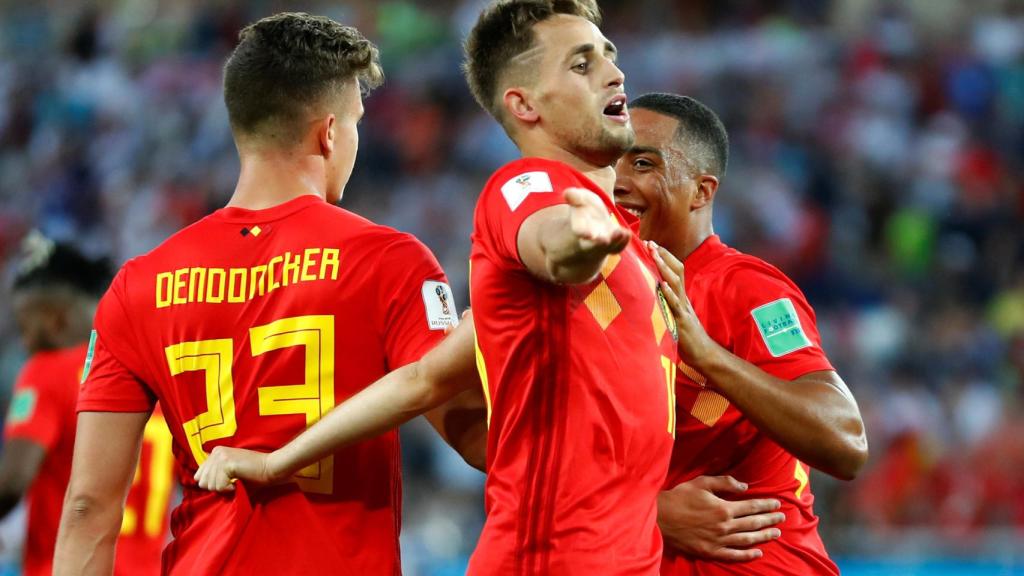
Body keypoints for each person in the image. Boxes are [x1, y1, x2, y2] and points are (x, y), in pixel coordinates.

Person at [197, 1, 680, 574]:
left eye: (608, 54)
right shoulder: (526, 187)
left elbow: (424, 379)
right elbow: (552, 241)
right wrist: (578, 241)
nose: (613, 72)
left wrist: (278, 463)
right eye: (581, 64)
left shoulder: (626, 243)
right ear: (524, 105)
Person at [52, 12, 479, 575]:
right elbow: (477, 439)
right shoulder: (387, 260)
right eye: (354, 122)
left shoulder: (138, 284)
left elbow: (88, 507)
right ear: (329, 132)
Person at [614, 93, 868, 574]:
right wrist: (648, 511)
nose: (619, 183)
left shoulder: (747, 290)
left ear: (701, 191)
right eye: (612, 164)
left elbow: (846, 441)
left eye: (643, 164)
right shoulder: (592, 299)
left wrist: (707, 356)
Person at [0, 233, 174, 576]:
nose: (24, 341)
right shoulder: (152, 371)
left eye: (25, 328)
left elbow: (14, 479)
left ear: (55, 321)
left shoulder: (48, 370)